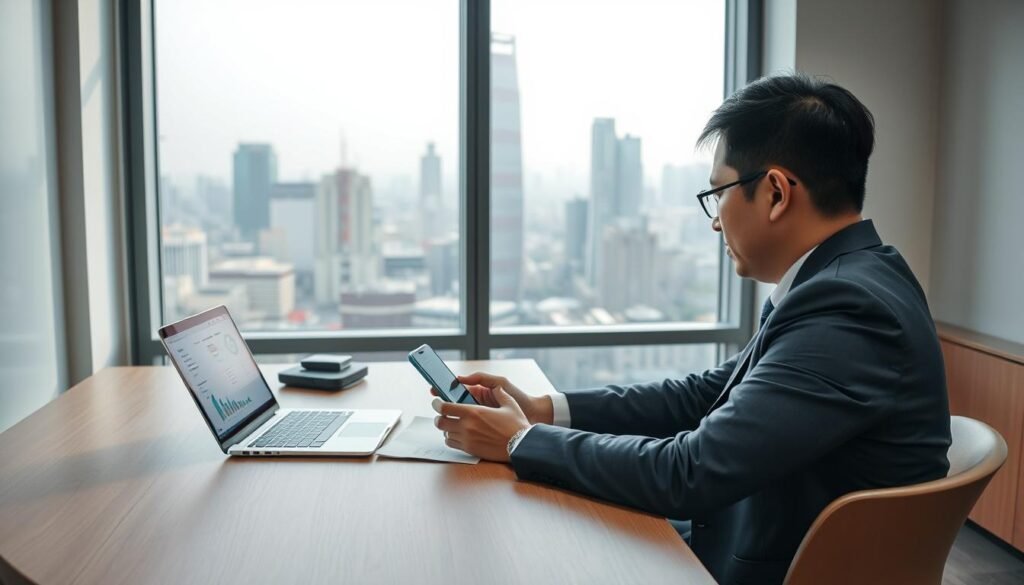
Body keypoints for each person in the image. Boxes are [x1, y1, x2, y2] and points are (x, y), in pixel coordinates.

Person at [430, 73, 951, 585]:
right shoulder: (845, 279)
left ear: (774, 192)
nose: (715, 221)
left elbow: (691, 472)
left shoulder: (847, 309)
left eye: (718, 192)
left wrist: (523, 441)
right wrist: (546, 410)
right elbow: (706, 397)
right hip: (754, 537)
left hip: (769, 565)